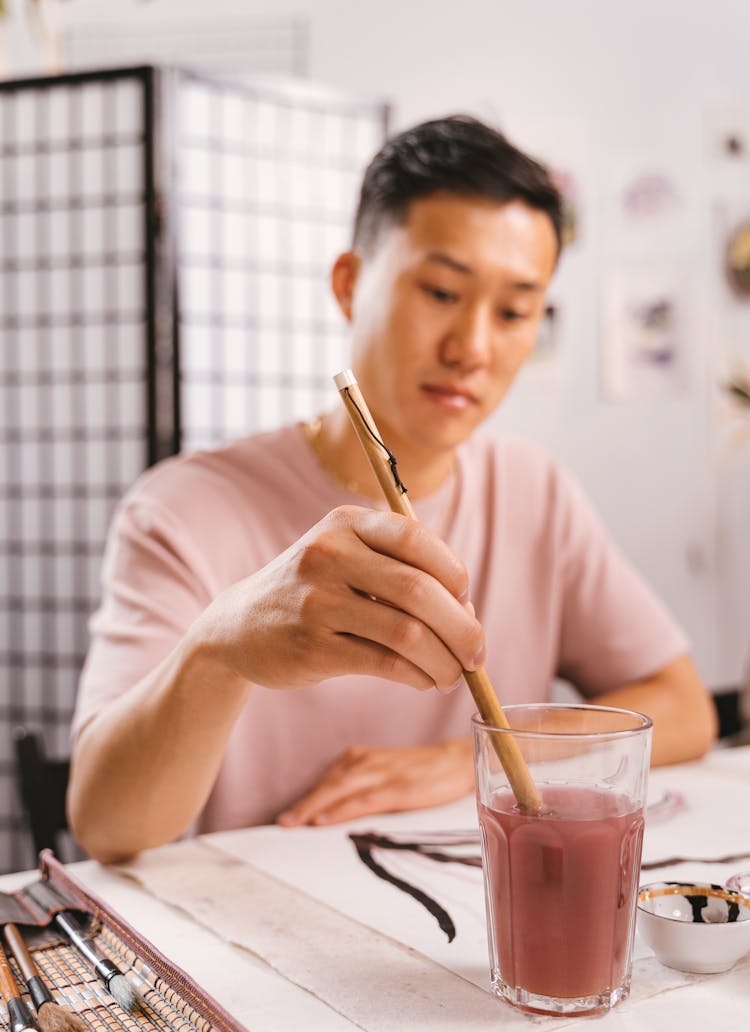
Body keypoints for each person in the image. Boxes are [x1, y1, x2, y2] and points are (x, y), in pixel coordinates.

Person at [67, 115, 716, 863]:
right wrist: (222, 647)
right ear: (349, 284)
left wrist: (456, 762)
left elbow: (683, 707)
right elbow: (105, 821)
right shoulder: (181, 509)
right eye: (441, 290)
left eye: (512, 311)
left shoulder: (533, 493)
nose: (472, 347)